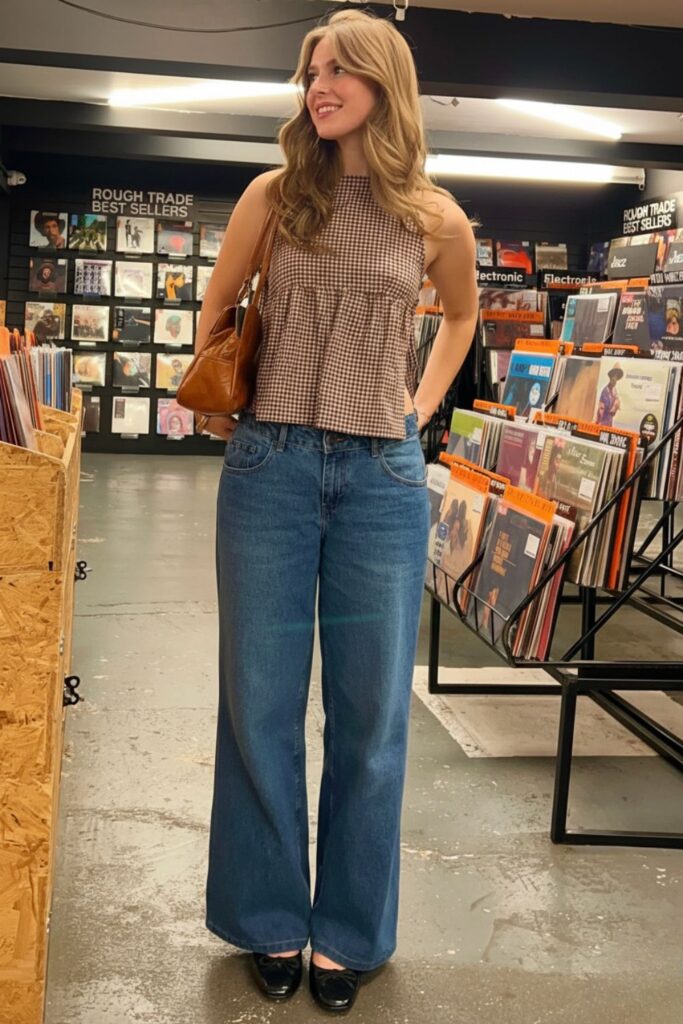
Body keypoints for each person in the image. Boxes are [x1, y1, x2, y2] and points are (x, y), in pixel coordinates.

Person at [195, 9, 478, 1014]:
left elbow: (460, 315)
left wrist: (419, 405)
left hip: (380, 481)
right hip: (268, 467)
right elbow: (219, 304)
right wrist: (223, 394)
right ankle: (269, 916)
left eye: (339, 70)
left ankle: (349, 933)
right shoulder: (273, 195)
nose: (317, 85)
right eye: (311, 70)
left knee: (370, 718)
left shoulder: (434, 217)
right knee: (259, 702)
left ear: (383, 84)